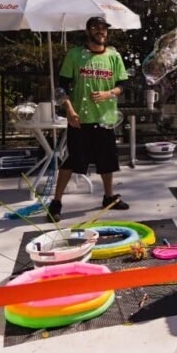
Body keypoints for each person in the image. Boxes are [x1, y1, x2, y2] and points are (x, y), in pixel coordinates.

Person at [48, 16, 130, 221]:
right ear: (88, 31)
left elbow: (123, 85)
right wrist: (69, 110)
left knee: (108, 160)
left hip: (106, 118)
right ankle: (56, 203)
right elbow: (62, 87)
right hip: (79, 118)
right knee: (72, 160)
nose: (100, 31)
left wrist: (109, 94)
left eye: (104, 28)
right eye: (96, 28)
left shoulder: (114, 56)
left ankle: (109, 197)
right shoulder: (75, 55)